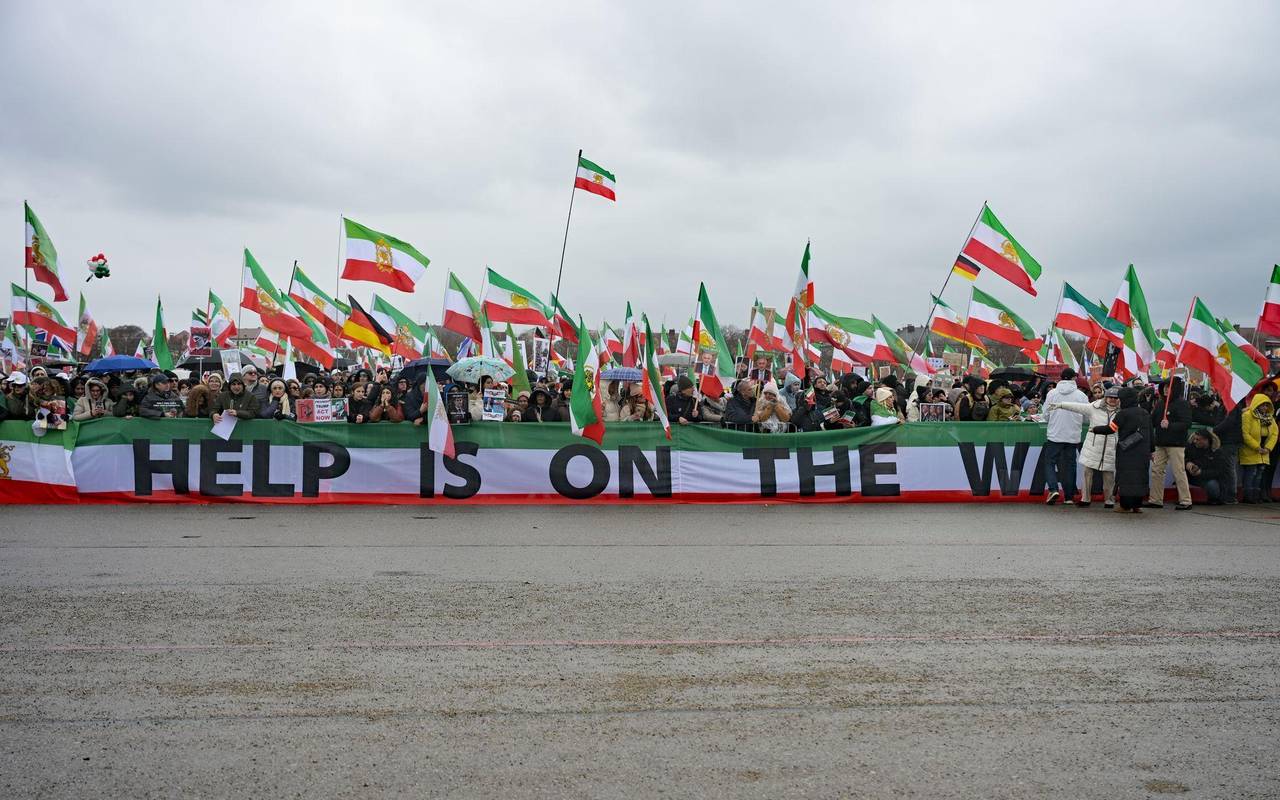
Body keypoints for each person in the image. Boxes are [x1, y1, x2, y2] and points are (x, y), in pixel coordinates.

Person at [1049, 386, 1121, 508]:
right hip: (1093, 445)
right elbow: (1077, 407)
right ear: (1106, 397)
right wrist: (1061, 405)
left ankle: (1109, 500)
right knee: (1088, 473)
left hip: (1111, 447)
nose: (1113, 400)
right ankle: (1085, 498)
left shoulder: (1122, 411)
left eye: (1115, 398)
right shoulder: (1094, 407)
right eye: (1110, 397)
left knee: (1109, 475)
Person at [1042, 368, 1089, 505]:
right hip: (1073, 435)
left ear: (1061, 378)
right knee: (1070, 465)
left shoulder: (1052, 393)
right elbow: (1087, 417)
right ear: (1073, 378)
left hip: (1055, 434)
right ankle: (1069, 497)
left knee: (1049, 462)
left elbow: (1045, 415)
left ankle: (1053, 488)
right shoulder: (1081, 396)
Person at [1146, 377, 1193, 510]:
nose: (1166, 389)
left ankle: (1185, 500)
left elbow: (1186, 423)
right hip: (1160, 442)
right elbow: (1153, 420)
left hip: (1176, 444)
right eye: (1164, 387)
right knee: (1157, 470)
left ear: (1175, 389)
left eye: (1169, 387)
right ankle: (1156, 499)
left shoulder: (1182, 404)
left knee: (1178, 471)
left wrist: (1170, 425)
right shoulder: (1160, 403)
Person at [1112, 387, 1154, 513]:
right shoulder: (1144, 413)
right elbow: (1151, 433)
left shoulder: (1122, 414)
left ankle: (1125, 506)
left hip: (1127, 452)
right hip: (1142, 453)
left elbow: (1111, 428)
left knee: (1126, 478)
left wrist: (1096, 430)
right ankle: (1137, 505)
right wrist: (1151, 450)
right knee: (1140, 477)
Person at [1239, 394, 1278, 504]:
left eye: (1267, 405)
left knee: (1259, 475)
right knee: (1251, 474)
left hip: (1264, 452)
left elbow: (1275, 433)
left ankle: (1256, 497)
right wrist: (1257, 447)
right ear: (1256, 404)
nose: (1265, 408)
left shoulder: (1270, 418)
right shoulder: (1247, 415)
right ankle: (1248, 497)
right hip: (1250, 451)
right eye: (1263, 405)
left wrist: (1268, 448)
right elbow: (1245, 434)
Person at [1184, 429, 1227, 505]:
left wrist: (1201, 472)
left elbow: (1219, 471)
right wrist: (1187, 463)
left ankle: (1214, 499)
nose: (1195, 441)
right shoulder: (1190, 446)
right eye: (1194, 439)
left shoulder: (1217, 451)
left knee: (1212, 486)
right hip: (1191, 476)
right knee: (1179, 476)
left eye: (1198, 439)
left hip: (1207, 478)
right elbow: (1182, 459)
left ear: (1206, 440)